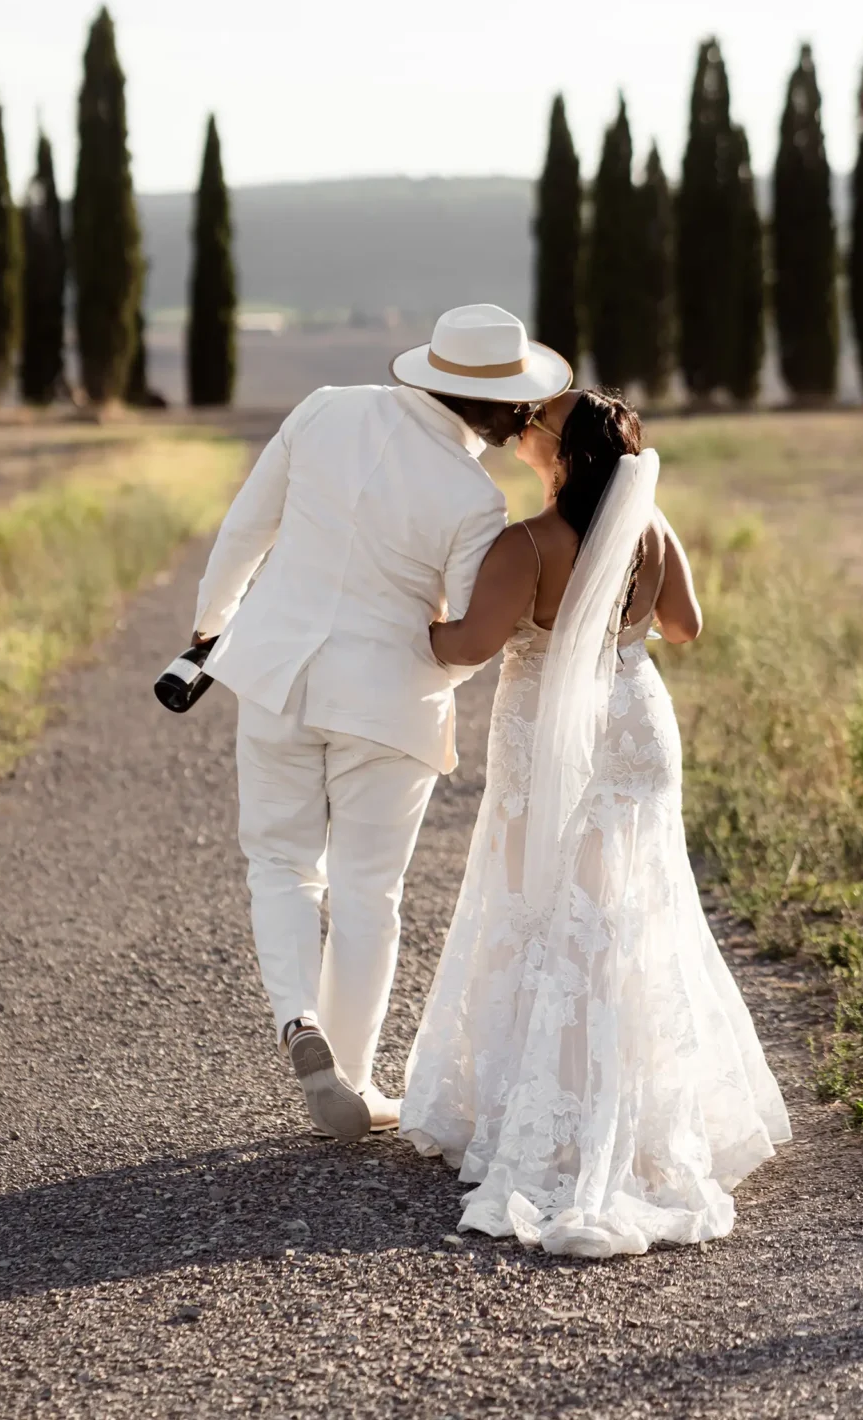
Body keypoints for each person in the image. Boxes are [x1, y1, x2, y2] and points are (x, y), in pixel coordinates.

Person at [399, 388, 790, 1256]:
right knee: (633, 912)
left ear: (562, 455)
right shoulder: (648, 528)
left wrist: (411, 615)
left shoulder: (526, 545)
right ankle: (643, 1107)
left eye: (536, 421)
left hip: (550, 741)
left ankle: (549, 1115)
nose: (522, 425)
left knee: (546, 909)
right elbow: (684, 626)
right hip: (638, 724)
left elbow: (465, 648)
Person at [190, 304, 571, 1142]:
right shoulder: (475, 499)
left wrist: (208, 626)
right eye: (522, 404)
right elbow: (467, 641)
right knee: (370, 893)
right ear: (501, 407)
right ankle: (354, 1081)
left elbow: (248, 525)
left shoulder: (325, 406)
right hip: (390, 702)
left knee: (281, 863)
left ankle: (298, 1021)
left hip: (275, 674)